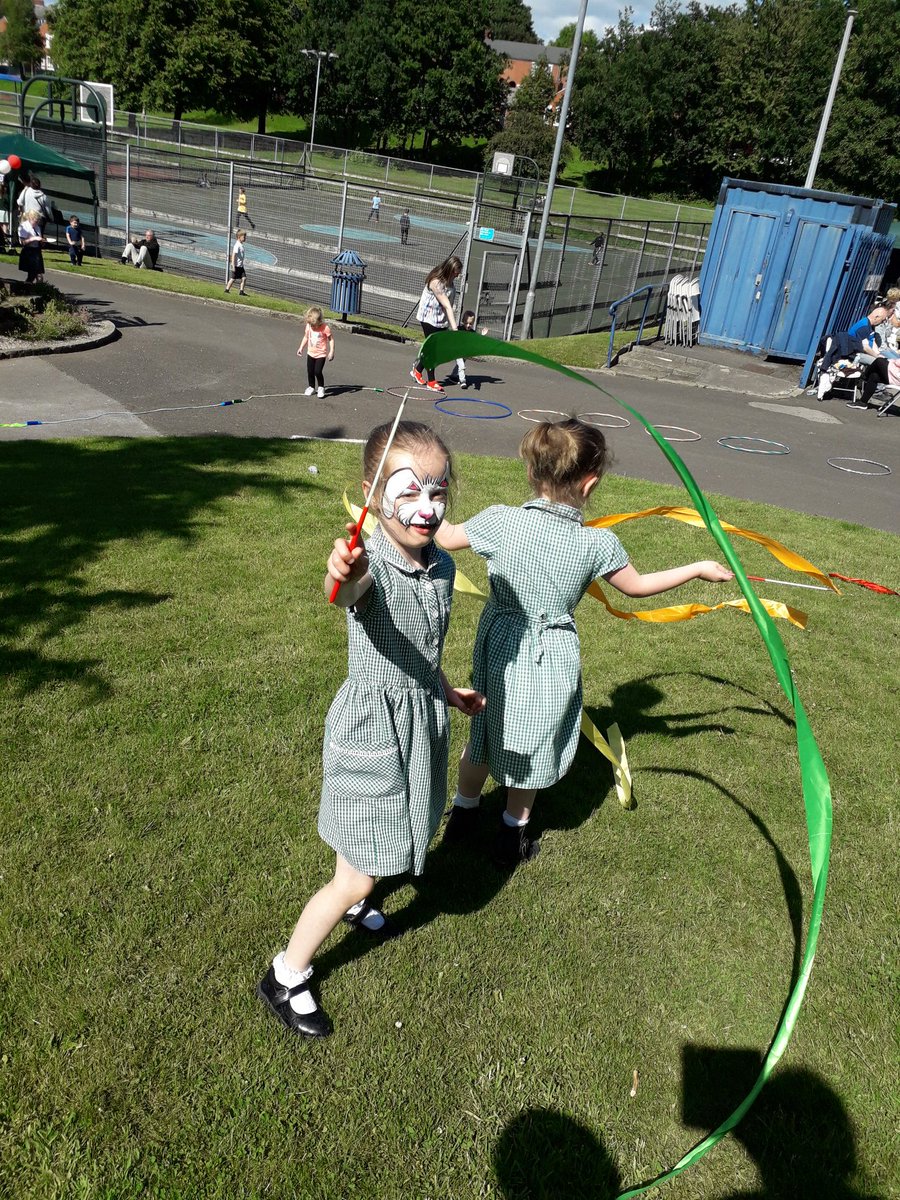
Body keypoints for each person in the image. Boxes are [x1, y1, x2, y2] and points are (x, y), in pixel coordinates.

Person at [257, 420, 485, 1038]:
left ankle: (358, 900)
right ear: (371, 492)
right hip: (373, 728)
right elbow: (343, 590)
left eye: (438, 492)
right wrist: (342, 565)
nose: (426, 507)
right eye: (408, 491)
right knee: (356, 864)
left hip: (420, 717)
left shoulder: (438, 565)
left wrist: (447, 691)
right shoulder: (372, 561)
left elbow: (422, 653)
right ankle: (287, 972)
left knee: (392, 828)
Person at [435, 417, 734, 867]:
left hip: (500, 647)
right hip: (551, 656)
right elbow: (637, 587)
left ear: (532, 472)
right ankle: (511, 834)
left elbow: (444, 535)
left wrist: (407, 498)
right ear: (590, 484)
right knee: (535, 737)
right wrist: (697, 567)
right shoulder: (597, 543)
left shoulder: (500, 521)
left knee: (482, 728)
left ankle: (464, 809)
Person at [410, 256, 463, 393]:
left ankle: (417, 370)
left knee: (438, 351)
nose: (458, 274)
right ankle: (432, 382)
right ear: (450, 269)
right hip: (428, 319)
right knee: (432, 351)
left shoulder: (451, 284)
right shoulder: (435, 282)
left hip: (441, 320)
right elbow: (447, 305)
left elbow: (449, 306)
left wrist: (449, 325)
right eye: (456, 271)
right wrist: (455, 330)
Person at [297, 305, 334, 398]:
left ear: (319, 321)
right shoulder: (309, 326)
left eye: (313, 325)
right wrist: (301, 347)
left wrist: (331, 351)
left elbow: (331, 339)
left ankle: (321, 387)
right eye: (310, 324)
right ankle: (311, 387)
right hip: (310, 353)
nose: (312, 326)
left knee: (317, 371)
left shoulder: (325, 328)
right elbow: (306, 337)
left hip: (321, 354)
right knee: (310, 371)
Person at [447, 309, 487, 389]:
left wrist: (482, 335)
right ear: (463, 321)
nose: (468, 325)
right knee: (461, 365)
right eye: (466, 323)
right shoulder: (459, 329)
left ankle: (453, 376)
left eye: (470, 324)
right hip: (457, 351)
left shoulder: (472, 332)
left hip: (465, 353)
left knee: (459, 365)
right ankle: (463, 381)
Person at [17, 208, 46, 283]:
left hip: (36, 251)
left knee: (38, 275)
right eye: (36, 220)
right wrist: (33, 239)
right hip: (28, 252)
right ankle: (27, 288)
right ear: (31, 218)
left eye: (39, 220)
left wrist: (42, 241)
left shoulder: (37, 227)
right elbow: (22, 242)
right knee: (33, 274)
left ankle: (35, 289)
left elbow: (38, 239)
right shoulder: (23, 226)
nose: (38, 222)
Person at [224, 230, 248, 295]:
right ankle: (227, 290)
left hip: (241, 266)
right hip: (236, 266)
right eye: (244, 237)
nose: (245, 238)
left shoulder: (241, 245)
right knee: (233, 278)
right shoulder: (237, 245)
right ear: (239, 237)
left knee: (244, 278)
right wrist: (233, 265)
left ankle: (241, 291)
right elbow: (234, 255)